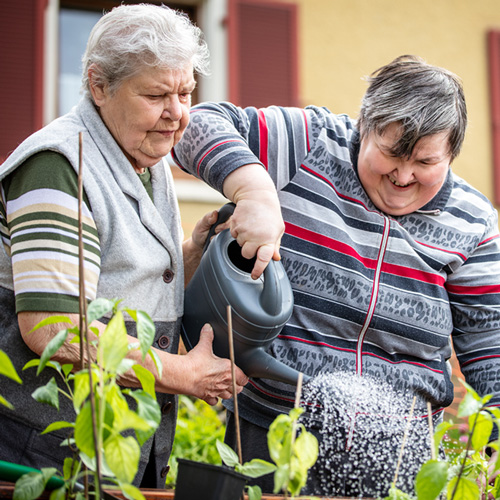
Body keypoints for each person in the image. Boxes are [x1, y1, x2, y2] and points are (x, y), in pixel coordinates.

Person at [173, 55, 500, 497]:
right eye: (391, 153)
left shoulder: (473, 221)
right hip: (276, 431)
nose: (403, 176)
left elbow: (489, 339)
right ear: (364, 125)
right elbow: (197, 123)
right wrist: (253, 190)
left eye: (425, 162)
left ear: (451, 153)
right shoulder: (310, 142)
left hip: (403, 447)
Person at [0, 3, 247, 489]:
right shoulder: (58, 165)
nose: (177, 114)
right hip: (47, 449)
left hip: (117, 439)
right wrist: (182, 373)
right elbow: (55, 328)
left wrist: (192, 252)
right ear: (99, 86)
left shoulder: (139, 153)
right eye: (157, 94)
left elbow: (121, 272)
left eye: (185, 92)